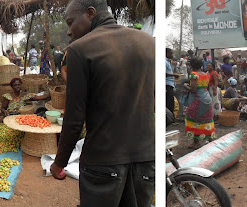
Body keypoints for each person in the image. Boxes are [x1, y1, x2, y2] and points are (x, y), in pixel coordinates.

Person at [49, 1, 155, 206]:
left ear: (90, 13)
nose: (69, 32)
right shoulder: (149, 43)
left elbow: (74, 119)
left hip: (102, 162)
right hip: (146, 159)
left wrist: (59, 163)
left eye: (71, 23)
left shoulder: (79, 50)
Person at [183, 57, 215, 148]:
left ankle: (196, 142)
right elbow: (207, 87)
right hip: (207, 98)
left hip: (197, 100)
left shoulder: (193, 75)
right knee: (207, 118)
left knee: (193, 118)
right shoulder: (206, 74)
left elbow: (193, 90)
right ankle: (210, 139)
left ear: (192, 66)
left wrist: (185, 86)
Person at [166, 48, 180, 119]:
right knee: (169, 102)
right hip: (167, 84)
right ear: (166, 53)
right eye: (171, 53)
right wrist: (174, 75)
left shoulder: (168, 62)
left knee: (170, 102)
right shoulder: (164, 62)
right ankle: (169, 119)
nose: (172, 55)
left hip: (170, 84)